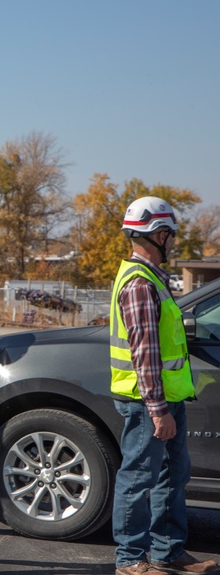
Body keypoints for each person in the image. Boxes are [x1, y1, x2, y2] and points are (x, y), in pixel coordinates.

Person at [109, 197, 218, 575]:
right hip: (146, 403)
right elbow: (145, 354)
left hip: (167, 399)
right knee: (138, 479)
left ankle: (168, 551)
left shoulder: (154, 278)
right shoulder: (139, 284)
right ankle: (130, 559)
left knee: (173, 474)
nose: (174, 242)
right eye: (171, 235)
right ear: (158, 235)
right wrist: (158, 410)